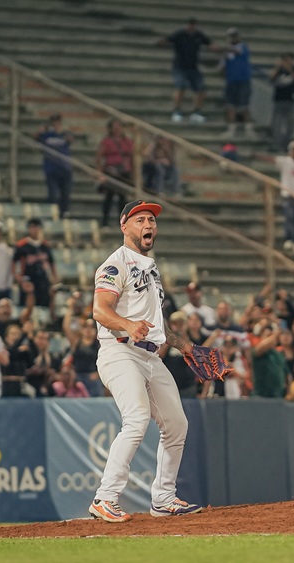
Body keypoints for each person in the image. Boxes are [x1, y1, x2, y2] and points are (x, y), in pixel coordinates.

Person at [88, 199, 202, 523]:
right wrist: (126, 325)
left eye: (151, 220)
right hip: (118, 351)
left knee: (177, 424)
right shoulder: (115, 264)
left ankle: (163, 498)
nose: (148, 225)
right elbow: (100, 310)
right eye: (140, 220)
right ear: (124, 226)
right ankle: (105, 498)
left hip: (149, 356)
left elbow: (156, 325)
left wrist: (185, 346)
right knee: (136, 419)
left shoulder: (150, 268)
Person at [158, 17, 212, 124]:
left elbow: (210, 43)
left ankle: (197, 111)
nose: (191, 27)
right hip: (180, 67)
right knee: (181, 86)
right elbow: (168, 40)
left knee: (201, 88)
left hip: (193, 67)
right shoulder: (180, 34)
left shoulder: (198, 35)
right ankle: (177, 110)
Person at [95, 119, 132, 227]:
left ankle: (122, 223)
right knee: (109, 197)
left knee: (123, 199)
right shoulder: (106, 142)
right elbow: (99, 156)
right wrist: (100, 173)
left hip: (124, 171)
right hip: (111, 171)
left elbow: (132, 156)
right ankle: (105, 222)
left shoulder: (126, 141)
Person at [35, 113, 74, 217]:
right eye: (54, 122)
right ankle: (52, 213)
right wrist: (42, 131)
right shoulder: (47, 135)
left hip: (64, 168)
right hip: (51, 168)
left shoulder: (64, 134)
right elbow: (36, 137)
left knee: (65, 193)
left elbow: (70, 139)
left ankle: (64, 213)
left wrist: (62, 132)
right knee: (53, 194)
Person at [12, 217, 56, 308]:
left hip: (43, 280)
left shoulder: (45, 245)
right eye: (32, 227)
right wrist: (18, 278)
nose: (34, 230)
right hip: (28, 279)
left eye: (36, 227)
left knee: (44, 304)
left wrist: (54, 278)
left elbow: (52, 263)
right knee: (27, 304)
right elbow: (13, 263)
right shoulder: (22, 245)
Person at [220, 28, 255, 140]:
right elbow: (222, 66)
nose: (233, 38)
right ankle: (231, 130)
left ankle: (249, 130)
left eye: (234, 36)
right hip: (231, 81)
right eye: (231, 36)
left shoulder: (242, 47)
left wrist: (223, 48)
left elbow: (238, 51)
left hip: (243, 81)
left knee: (244, 106)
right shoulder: (226, 53)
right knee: (230, 106)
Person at [269, 52, 294, 152]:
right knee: (277, 124)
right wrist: (278, 67)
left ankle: (286, 144)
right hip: (279, 100)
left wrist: (289, 68)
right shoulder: (278, 71)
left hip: (290, 100)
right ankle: (276, 144)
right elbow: (271, 78)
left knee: (289, 124)